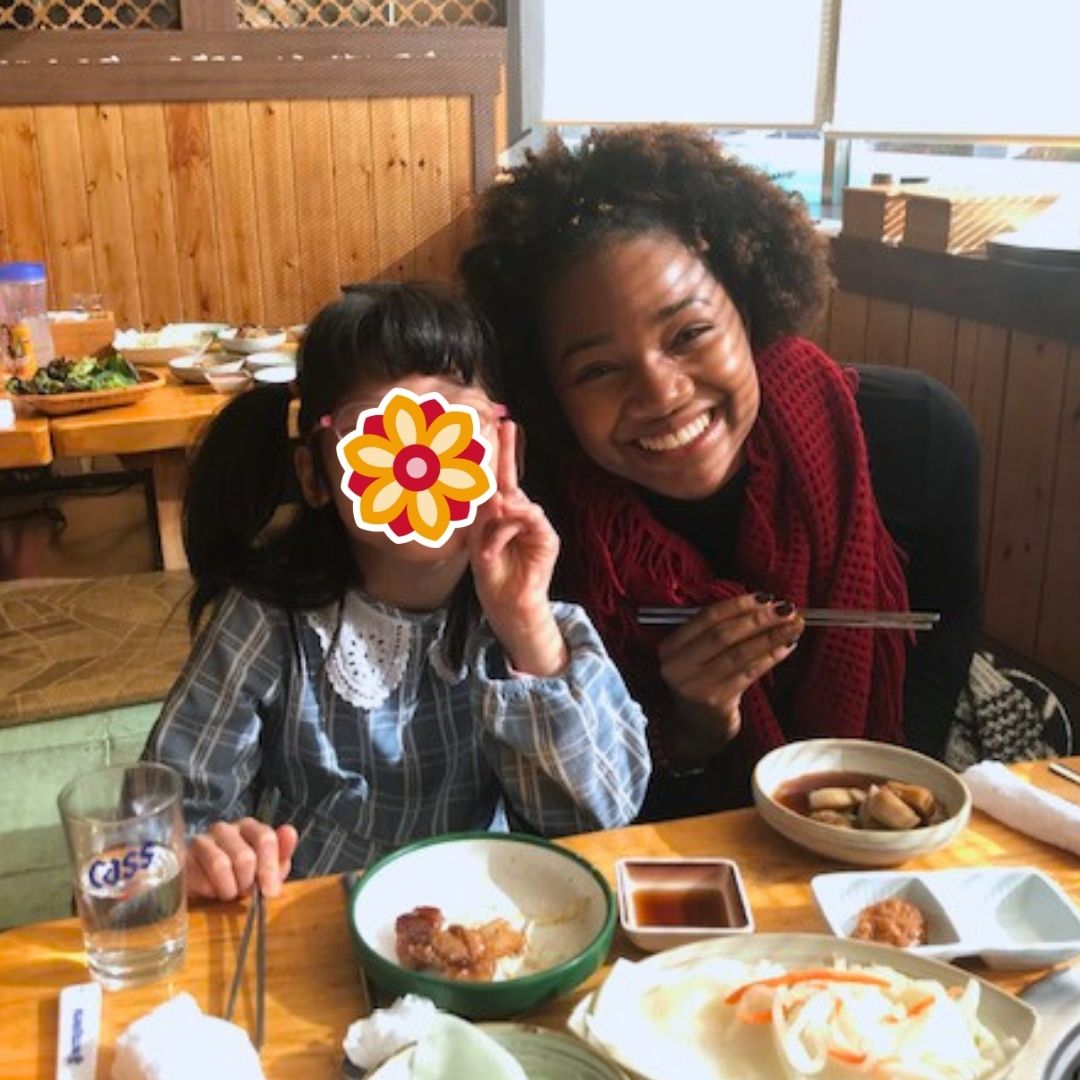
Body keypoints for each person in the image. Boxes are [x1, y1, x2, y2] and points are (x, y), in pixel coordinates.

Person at [460, 126, 980, 820]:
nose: (661, 393)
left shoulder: (915, 437)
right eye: (598, 369)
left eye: (689, 334)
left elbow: (940, 651)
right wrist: (692, 729)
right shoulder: (539, 529)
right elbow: (595, 812)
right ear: (550, 393)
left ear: (748, 306)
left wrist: (878, 817)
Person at [143, 284, 650, 899]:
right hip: (315, 913)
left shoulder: (536, 623)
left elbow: (601, 819)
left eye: (456, 426)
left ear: (503, 445)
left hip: (483, 914)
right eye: (389, 432)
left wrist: (526, 628)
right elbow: (163, 820)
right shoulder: (267, 622)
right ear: (317, 476)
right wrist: (199, 858)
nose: (424, 456)